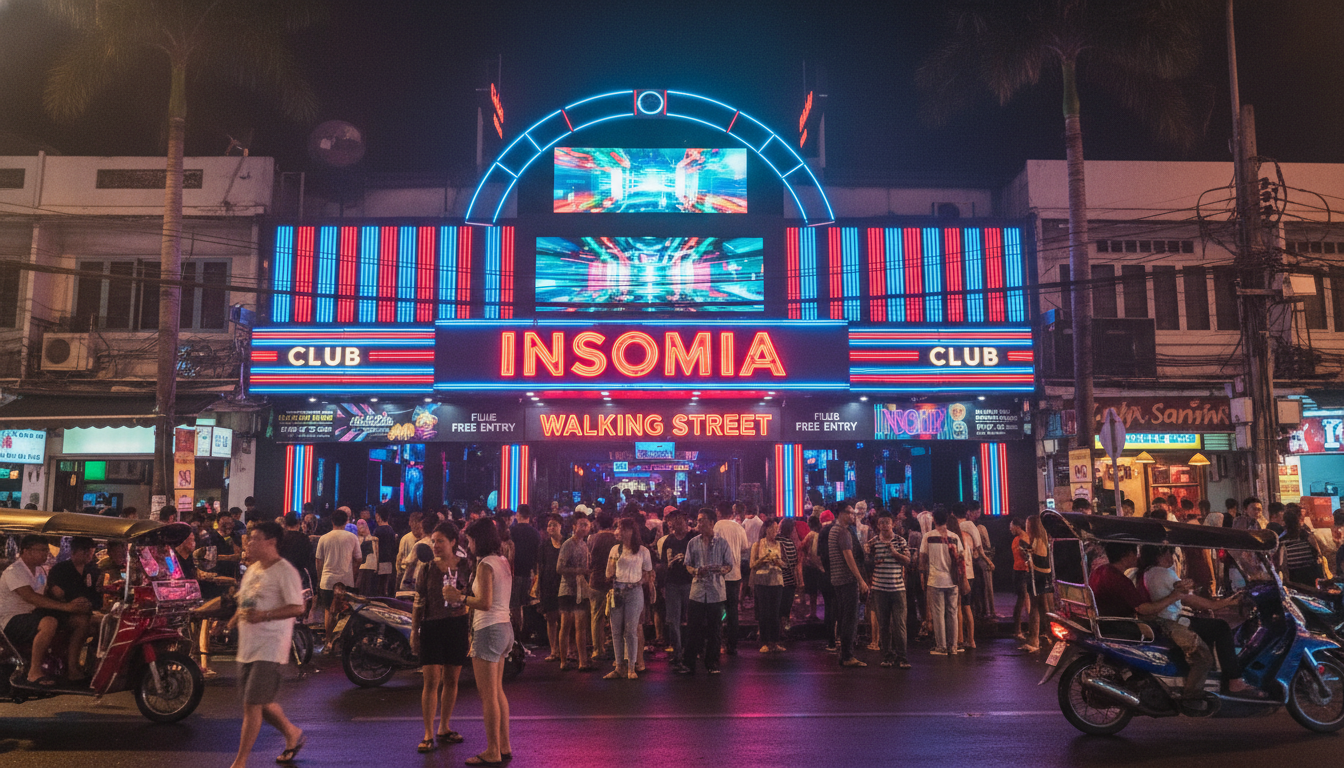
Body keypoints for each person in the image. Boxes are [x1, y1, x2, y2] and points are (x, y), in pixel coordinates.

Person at [227, 522, 306, 768]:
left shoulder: (285, 571)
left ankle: (240, 762)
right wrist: (229, 622)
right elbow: (245, 602)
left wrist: (265, 616)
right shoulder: (252, 570)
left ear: (270, 542)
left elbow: (298, 607)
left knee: (252, 704)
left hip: (270, 646)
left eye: (254, 539)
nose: (248, 543)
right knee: (258, 701)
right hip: (248, 646)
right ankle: (292, 732)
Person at [1137, 545, 1251, 696]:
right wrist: (1226, 602)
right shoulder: (1163, 573)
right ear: (1160, 555)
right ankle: (1231, 681)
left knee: (1210, 626)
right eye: (1169, 553)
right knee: (1221, 627)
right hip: (1171, 622)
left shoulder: (1147, 573)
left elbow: (1184, 593)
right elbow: (1191, 599)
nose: (1172, 557)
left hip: (1166, 620)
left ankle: (1213, 678)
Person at [445, 518, 514, 767]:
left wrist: (460, 597)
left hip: (488, 628)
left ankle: (493, 750)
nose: (470, 545)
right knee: (497, 692)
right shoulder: (503, 561)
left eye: (471, 540)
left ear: (479, 540)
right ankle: (504, 746)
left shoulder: (485, 565)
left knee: (488, 696)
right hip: (505, 627)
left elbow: (484, 602)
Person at [411, 521, 471, 753]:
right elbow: (419, 602)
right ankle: (427, 733)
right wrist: (415, 632)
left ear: (453, 542)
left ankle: (444, 727)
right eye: (433, 541)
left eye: (440, 541)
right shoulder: (426, 568)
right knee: (431, 681)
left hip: (457, 624)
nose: (435, 546)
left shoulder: (465, 566)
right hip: (431, 626)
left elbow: (474, 597)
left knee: (452, 680)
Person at [0, 534, 91, 687]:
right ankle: (34, 672)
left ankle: (72, 668)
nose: (46, 554)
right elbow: (31, 597)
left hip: (34, 614)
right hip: (11, 619)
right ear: (26, 551)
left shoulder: (40, 570)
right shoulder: (14, 571)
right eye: (41, 550)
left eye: (46, 550)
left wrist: (69, 601)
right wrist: (66, 607)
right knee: (49, 622)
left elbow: (44, 594)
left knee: (81, 620)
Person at [42, 536, 101, 681]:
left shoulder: (92, 570)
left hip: (85, 611)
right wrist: (74, 603)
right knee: (82, 623)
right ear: (74, 551)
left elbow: (95, 595)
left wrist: (96, 596)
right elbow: (57, 594)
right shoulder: (60, 569)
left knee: (106, 623)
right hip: (60, 612)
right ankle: (72, 667)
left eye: (91, 552)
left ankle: (93, 664)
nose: (89, 555)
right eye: (85, 552)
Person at [682, 509, 733, 675]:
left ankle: (712, 662)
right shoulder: (693, 543)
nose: (699, 523)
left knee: (715, 629)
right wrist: (696, 571)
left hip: (716, 591)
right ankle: (689, 663)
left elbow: (729, 565)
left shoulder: (722, 543)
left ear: (712, 522)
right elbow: (688, 564)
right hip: (697, 590)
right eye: (698, 520)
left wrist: (721, 570)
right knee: (693, 628)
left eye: (702, 520)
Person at [604, 517, 654, 680]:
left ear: (631, 531)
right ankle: (619, 666)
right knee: (616, 631)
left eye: (622, 529)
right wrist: (612, 567)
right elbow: (608, 574)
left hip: (634, 591)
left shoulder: (643, 551)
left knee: (631, 630)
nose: (618, 532)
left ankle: (631, 667)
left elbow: (647, 573)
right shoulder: (614, 550)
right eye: (618, 528)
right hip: (617, 591)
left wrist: (638, 581)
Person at [866, 513, 912, 669]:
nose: (885, 525)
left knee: (899, 624)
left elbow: (908, 561)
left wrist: (895, 553)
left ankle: (902, 657)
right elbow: (867, 563)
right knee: (884, 624)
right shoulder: (873, 543)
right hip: (879, 588)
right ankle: (887, 655)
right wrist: (870, 558)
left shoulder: (900, 541)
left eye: (887, 522)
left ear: (893, 524)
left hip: (898, 588)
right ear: (878, 526)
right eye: (881, 523)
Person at [314, 508, 362, 652]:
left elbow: (318, 561)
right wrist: (352, 573)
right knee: (345, 611)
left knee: (329, 610)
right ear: (346, 521)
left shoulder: (324, 538)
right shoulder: (352, 538)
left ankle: (329, 642)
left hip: (327, 580)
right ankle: (341, 642)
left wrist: (320, 577)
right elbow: (358, 559)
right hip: (346, 580)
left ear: (332, 521)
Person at [828, 502, 869, 667]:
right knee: (850, 619)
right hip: (847, 579)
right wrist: (860, 580)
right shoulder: (843, 532)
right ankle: (847, 655)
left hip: (837, 579)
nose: (853, 516)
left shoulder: (832, 530)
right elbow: (849, 558)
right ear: (842, 514)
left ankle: (844, 653)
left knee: (844, 616)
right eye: (850, 513)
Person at [920, 509, 963, 656]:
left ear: (934, 520)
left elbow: (922, 558)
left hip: (935, 579)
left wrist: (922, 576)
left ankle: (941, 646)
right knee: (952, 613)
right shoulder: (955, 537)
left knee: (938, 613)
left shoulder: (928, 536)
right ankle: (953, 646)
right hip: (952, 580)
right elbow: (961, 558)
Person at [658, 509, 694, 673]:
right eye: (675, 520)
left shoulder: (692, 539)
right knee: (673, 620)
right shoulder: (668, 540)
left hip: (689, 582)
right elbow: (663, 563)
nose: (678, 523)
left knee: (689, 618)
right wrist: (668, 566)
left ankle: (690, 651)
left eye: (681, 520)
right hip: (672, 583)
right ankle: (678, 652)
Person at [557, 514, 593, 671]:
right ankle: (563, 660)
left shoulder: (584, 545)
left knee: (581, 625)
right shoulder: (568, 544)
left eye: (587, 524)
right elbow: (559, 568)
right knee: (565, 625)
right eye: (581, 524)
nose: (584, 527)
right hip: (567, 588)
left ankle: (582, 661)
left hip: (580, 589)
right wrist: (579, 570)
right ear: (574, 527)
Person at [714, 503, 749, 656]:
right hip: (735, 573)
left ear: (719, 512)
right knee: (732, 610)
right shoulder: (738, 527)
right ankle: (732, 644)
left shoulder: (717, 526)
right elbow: (744, 547)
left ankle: (716, 641)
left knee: (716, 610)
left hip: (719, 574)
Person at [749, 517, 786, 654]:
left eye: (776, 529)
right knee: (764, 612)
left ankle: (775, 642)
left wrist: (777, 562)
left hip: (776, 581)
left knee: (775, 613)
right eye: (772, 528)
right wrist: (763, 560)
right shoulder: (757, 545)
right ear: (766, 529)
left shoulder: (779, 545)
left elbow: (784, 564)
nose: (775, 531)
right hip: (762, 582)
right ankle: (764, 641)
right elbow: (752, 564)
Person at [586, 513, 619, 662]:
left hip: (596, 580)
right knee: (616, 616)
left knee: (596, 616)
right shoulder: (616, 539)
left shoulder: (592, 539)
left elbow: (589, 563)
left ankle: (597, 649)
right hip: (614, 581)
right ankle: (616, 648)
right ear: (612, 523)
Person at [1021, 514, 1054, 652]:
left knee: (1036, 608)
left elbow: (1042, 565)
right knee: (1043, 608)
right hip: (1042, 578)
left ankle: (1035, 640)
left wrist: (1028, 558)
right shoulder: (1043, 540)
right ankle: (1048, 637)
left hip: (1037, 578)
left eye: (1027, 526)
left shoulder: (1038, 541)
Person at [536, 513, 564, 663]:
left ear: (561, 526)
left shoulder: (566, 544)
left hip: (564, 585)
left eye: (554, 524)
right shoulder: (543, 546)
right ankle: (554, 650)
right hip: (548, 585)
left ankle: (565, 649)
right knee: (551, 619)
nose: (551, 528)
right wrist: (539, 588)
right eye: (549, 525)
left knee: (565, 619)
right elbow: (540, 568)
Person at [1280, 507, 1324, 585]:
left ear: (1284, 522)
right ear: (1299, 520)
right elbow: (1319, 556)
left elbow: (1283, 566)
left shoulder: (1281, 540)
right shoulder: (1307, 536)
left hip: (1295, 578)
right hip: (1312, 576)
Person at [776, 517, 802, 632]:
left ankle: (778, 633)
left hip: (777, 580)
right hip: (790, 580)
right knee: (785, 609)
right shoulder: (790, 543)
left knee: (777, 608)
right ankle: (784, 630)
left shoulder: (776, 541)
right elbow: (794, 561)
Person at [1009, 518, 1031, 641]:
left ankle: (1024, 628)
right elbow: (1026, 555)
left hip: (1023, 571)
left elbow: (1026, 555)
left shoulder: (1023, 539)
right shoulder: (1019, 539)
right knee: (1022, 599)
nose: (1010, 529)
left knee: (1024, 599)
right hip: (1020, 571)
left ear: (1018, 526)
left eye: (1011, 526)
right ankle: (1018, 630)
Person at [800, 515, 824, 623]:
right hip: (820, 565)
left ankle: (813, 612)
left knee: (812, 592)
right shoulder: (822, 534)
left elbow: (801, 546)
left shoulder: (810, 535)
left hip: (810, 566)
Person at [373, 508, 398, 596]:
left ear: (378, 516)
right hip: (390, 561)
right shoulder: (391, 530)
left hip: (380, 561)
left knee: (379, 586)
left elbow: (375, 548)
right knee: (385, 584)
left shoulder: (378, 530)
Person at [355, 519, 379, 595]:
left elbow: (376, 553)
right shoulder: (357, 539)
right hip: (364, 566)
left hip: (368, 566)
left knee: (365, 589)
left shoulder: (374, 539)